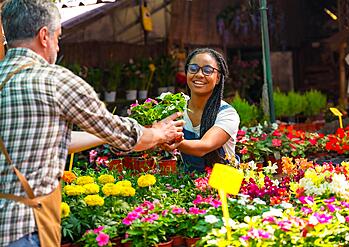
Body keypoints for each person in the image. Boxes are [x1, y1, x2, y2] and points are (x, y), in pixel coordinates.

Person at [0, 1, 184, 246]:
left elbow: (50, 141)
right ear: (44, 36)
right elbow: (126, 136)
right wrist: (158, 132)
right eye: (57, 37)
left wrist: (102, 135)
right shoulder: (54, 81)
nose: (57, 44)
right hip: (26, 228)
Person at [164, 48, 240, 172]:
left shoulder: (227, 114)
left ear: (218, 78)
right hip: (189, 183)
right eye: (193, 68)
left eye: (207, 70)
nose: (199, 74)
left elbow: (204, 146)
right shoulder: (177, 108)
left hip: (224, 184)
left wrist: (161, 139)